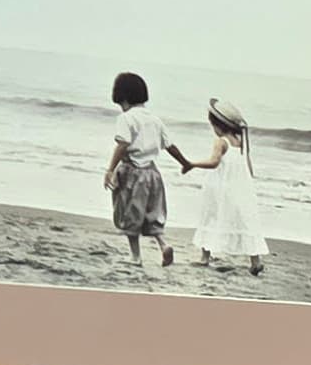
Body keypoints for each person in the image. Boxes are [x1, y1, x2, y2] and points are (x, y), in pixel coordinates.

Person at [171, 97, 267, 273]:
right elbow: (247, 163)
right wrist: (248, 181)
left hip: (219, 187)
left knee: (210, 216)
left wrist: (192, 164)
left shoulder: (221, 141)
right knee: (244, 220)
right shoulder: (239, 140)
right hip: (239, 186)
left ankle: (205, 257)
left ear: (217, 125)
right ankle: (255, 261)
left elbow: (214, 162)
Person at [104, 73, 175, 271]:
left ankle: (135, 257)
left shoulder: (125, 118)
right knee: (151, 214)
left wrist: (110, 169)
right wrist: (185, 162)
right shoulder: (155, 119)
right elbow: (169, 145)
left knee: (130, 215)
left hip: (132, 172)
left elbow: (123, 143)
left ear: (122, 98)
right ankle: (163, 244)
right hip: (153, 173)